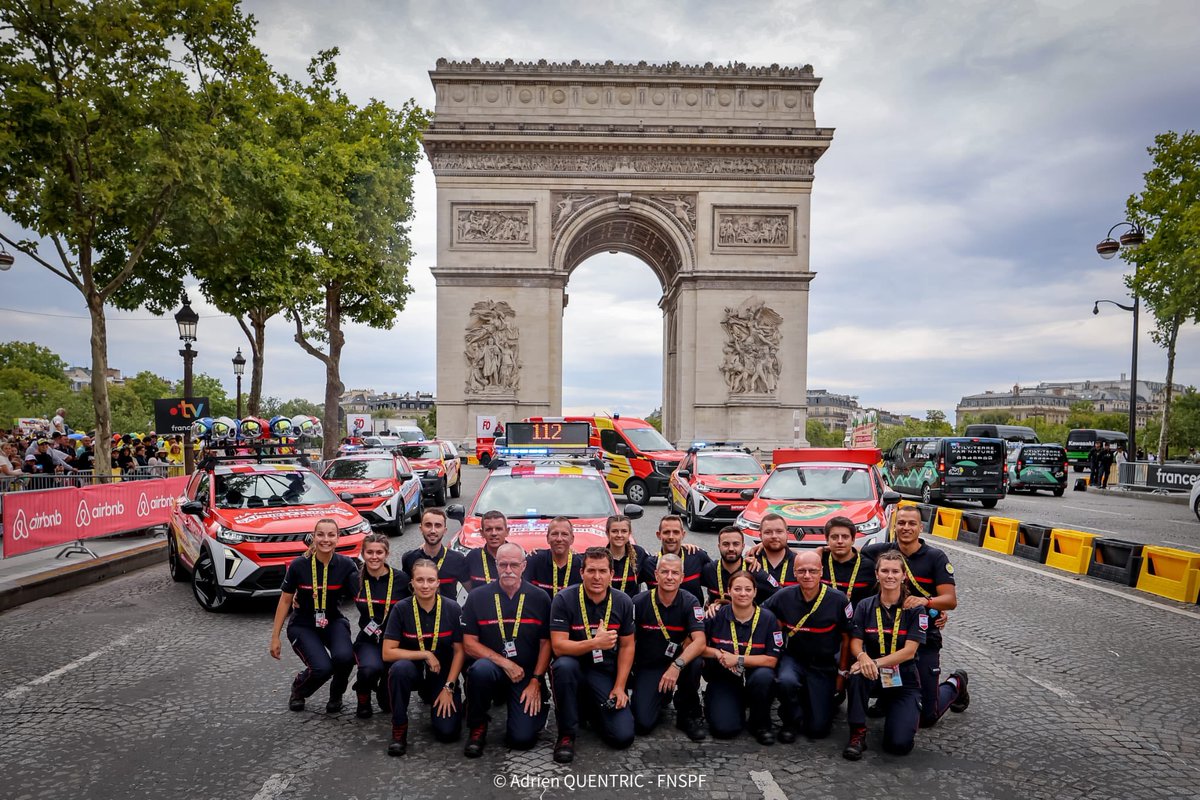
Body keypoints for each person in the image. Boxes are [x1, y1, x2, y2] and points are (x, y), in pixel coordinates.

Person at [862, 505, 968, 729]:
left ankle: (955, 683)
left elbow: (950, 600)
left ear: (921, 527)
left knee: (927, 718)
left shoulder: (935, 557)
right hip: (886, 636)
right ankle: (889, 699)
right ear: (894, 526)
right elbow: (847, 554)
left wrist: (926, 602)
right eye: (901, 523)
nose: (906, 527)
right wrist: (821, 551)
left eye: (912, 523)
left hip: (923, 638)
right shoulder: (879, 552)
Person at [461, 543, 551, 757]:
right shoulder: (477, 597)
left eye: (514, 565)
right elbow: (469, 644)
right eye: (503, 565)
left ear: (524, 566)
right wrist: (505, 663)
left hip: (525, 674)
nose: (508, 570)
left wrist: (536, 680)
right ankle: (477, 726)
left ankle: (539, 707)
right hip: (494, 668)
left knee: (522, 740)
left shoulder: (540, 598)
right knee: (479, 670)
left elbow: (546, 644)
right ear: (496, 565)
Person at [549, 547, 636, 763]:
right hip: (575, 667)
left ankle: (592, 711)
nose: (597, 577)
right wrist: (595, 643)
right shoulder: (564, 599)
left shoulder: (623, 601)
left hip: (604, 671)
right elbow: (558, 647)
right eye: (591, 571)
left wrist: (619, 687)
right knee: (563, 666)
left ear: (611, 574)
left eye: (602, 571)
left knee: (622, 737)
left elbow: (627, 646)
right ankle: (566, 734)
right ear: (582, 573)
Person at [843, 550, 927, 760]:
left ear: (903, 575)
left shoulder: (915, 609)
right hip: (873, 675)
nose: (890, 576)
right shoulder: (865, 605)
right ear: (877, 574)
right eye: (885, 571)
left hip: (903, 677)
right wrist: (862, 657)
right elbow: (856, 642)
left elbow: (909, 651)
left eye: (895, 571)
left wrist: (873, 662)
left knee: (898, 745)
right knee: (856, 675)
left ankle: (954, 685)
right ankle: (857, 733)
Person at [269, 519, 360, 713]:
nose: (326, 539)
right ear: (313, 536)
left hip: (333, 621)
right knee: (322, 668)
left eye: (331, 535)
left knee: (345, 658)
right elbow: (285, 600)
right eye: (321, 534)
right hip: (303, 624)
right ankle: (299, 690)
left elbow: (362, 596)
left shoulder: (347, 565)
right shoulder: (299, 565)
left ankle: (336, 695)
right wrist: (275, 637)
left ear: (338, 538)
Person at [764, 550, 852, 742]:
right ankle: (790, 720)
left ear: (821, 572)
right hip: (793, 658)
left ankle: (818, 702)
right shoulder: (783, 596)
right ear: (794, 572)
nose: (807, 575)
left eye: (813, 571)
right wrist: (721, 604)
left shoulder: (838, 600)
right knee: (786, 681)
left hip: (823, 663)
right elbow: (761, 615)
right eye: (801, 571)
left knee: (818, 730)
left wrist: (842, 673)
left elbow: (847, 638)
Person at [381, 559, 464, 756]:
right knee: (399, 669)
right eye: (420, 580)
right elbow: (387, 652)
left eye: (430, 580)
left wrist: (449, 686)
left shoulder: (452, 608)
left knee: (448, 733)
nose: (425, 585)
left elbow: (460, 651)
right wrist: (426, 654)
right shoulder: (401, 608)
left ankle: (445, 697)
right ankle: (399, 727)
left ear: (438, 583)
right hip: (413, 669)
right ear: (412, 582)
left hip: (441, 672)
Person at [630, 554, 707, 741]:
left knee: (696, 662)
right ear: (656, 575)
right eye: (664, 572)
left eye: (675, 573)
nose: (670, 577)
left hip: (679, 665)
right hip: (649, 665)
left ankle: (686, 713)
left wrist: (676, 666)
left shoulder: (690, 602)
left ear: (682, 577)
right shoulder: (638, 602)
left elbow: (700, 641)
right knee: (642, 724)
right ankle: (661, 696)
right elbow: (628, 642)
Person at [702, 570, 781, 743]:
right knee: (724, 730)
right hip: (725, 677)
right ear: (729, 591)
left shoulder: (768, 619)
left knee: (764, 676)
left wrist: (737, 659)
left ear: (755, 592)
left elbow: (771, 660)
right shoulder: (716, 615)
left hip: (755, 676)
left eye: (748, 589)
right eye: (737, 589)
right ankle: (716, 700)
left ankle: (760, 723)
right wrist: (717, 653)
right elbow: (695, 646)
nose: (743, 593)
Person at [352, 534, 410, 719]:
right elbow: (329, 592)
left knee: (387, 705)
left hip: (395, 642)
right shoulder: (354, 579)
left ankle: (382, 687)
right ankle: (363, 696)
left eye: (379, 552)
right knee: (369, 669)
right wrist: (298, 597)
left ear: (387, 554)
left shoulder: (401, 579)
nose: (374, 557)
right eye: (370, 552)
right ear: (363, 554)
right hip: (369, 640)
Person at [402, 508, 468, 598]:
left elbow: (473, 592)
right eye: (428, 525)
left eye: (438, 526)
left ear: (445, 530)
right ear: (421, 529)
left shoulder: (457, 559)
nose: (433, 530)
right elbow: (404, 593)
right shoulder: (409, 559)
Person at [640, 515, 710, 601]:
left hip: (691, 609)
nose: (671, 537)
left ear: (683, 534)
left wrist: (715, 601)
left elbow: (717, 578)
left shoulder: (697, 556)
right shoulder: (649, 564)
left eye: (676, 532)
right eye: (666, 532)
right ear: (658, 535)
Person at [821, 516, 877, 606]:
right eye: (834, 537)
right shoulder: (819, 563)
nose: (840, 541)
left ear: (853, 540)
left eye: (845, 537)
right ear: (827, 540)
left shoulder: (869, 567)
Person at [526, 517, 583, 599]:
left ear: (572, 539)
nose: (559, 539)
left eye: (564, 534)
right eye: (554, 534)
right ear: (547, 538)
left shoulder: (581, 564)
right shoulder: (533, 561)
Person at [700, 526, 750, 612]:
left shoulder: (753, 570)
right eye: (726, 544)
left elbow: (774, 594)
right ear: (719, 546)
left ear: (743, 546)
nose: (731, 549)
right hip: (716, 618)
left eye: (736, 544)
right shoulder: (709, 570)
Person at [754, 513, 799, 603]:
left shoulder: (799, 562)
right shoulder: (751, 563)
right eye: (768, 532)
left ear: (787, 534)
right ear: (760, 536)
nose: (774, 536)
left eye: (779, 531)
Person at [464, 510, 509, 588]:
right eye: (489, 529)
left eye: (498, 529)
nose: (494, 533)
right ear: (482, 533)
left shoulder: (519, 556)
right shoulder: (473, 557)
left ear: (507, 532)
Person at [605, 514, 647, 596]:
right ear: (607, 533)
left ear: (629, 533)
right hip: (607, 604)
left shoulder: (639, 554)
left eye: (624, 531)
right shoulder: (601, 556)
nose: (619, 535)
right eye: (614, 531)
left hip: (631, 603)